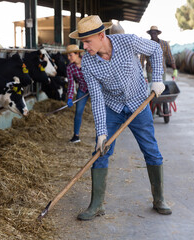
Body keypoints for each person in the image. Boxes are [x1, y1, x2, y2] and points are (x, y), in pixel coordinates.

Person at [68, 15, 172, 221]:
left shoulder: (128, 41)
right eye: (82, 42)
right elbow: (96, 99)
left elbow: (155, 50)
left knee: (151, 150)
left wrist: (157, 79)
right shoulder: (88, 63)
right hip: (112, 108)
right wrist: (101, 133)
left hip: (139, 103)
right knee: (101, 151)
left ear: (101, 35)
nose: (85, 47)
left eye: (88, 41)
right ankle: (96, 205)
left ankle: (159, 199)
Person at [65, 44, 89, 143]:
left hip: (95, 89)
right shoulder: (70, 68)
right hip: (82, 89)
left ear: (77, 54)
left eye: (70, 55)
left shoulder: (88, 61)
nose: (69, 57)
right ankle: (76, 136)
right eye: (68, 55)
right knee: (78, 112)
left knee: (98, 110)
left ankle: (102, 133)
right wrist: (70, 98)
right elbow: (71, 84)